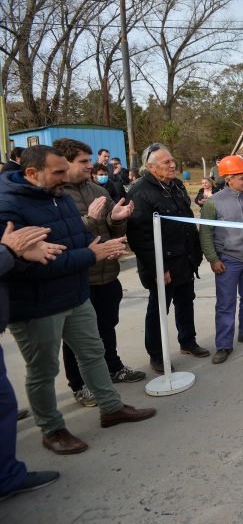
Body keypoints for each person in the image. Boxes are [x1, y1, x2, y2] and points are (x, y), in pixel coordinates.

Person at [0, 145, 157, 455]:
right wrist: (90, 254)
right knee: (43, 371)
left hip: (75, 293)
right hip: (37, 304)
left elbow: (78, 237)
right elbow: (28, 262)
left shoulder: (58, 196)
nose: (65, 176)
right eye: (58, 172)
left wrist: (103, 244)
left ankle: (111, 408)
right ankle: (52, 429)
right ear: (32, 173)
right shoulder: (8, 206)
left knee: (93, 352)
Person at [54, 138, 145, 409]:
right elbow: (59, 236)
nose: (90, 165)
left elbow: (113, 232)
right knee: (76, 338)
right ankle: (79, 385)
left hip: (107, 274)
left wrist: (116, 219)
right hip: (78, 277)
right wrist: (91, 220)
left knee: (107, 325)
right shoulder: (56, 196)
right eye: (82, 161)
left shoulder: (98, 190)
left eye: (89, 160)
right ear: (64, 162)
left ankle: (113, 367)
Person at [126, 143, 209, 374]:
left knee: (186, 302)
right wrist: (158, 268)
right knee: (158, 309)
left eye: (173, 161)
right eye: (167, 163)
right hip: (162, 264)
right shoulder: (140, 192)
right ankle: (156, 355)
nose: (173, 165)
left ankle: (187, 341)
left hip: (185, 259)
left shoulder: (177, 186)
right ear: (151, 167)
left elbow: (185, 222)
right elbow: (139, 238)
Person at [0, 221, 63, 499]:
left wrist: (16, 256)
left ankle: (7, 477)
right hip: (31, 305)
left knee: (4, 405)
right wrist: (8, 251)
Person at [199, 156, 243, 364]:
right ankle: (224, 345)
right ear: (229, 178)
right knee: (226, 304)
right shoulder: (213, 202)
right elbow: (206, 233)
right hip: (228, 259)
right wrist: (213, 259)